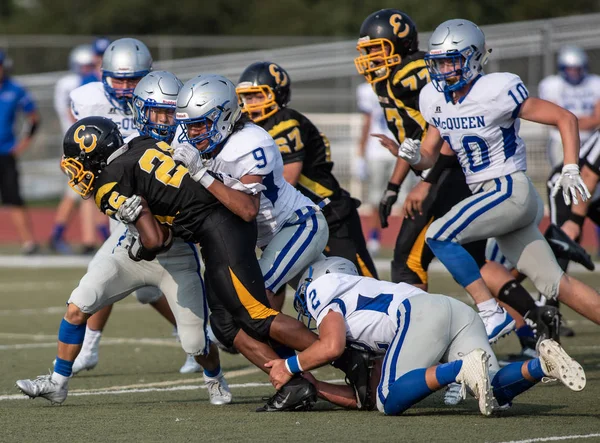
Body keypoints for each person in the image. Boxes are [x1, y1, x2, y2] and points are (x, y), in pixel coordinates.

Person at [382, 19, 600, 330]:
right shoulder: (435, 99)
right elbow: (430, 155)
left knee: (438, 235)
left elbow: (565, 118)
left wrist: (570, 166)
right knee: (556, 284)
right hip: (492, 196)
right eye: (438, 63)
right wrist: (411, 154)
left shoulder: (495, 90)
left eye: (450, 62)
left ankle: (490, 312)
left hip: (509, 189)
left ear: (473, 59)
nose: (442, 71)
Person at [355, 9, 553, 344]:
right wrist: (393, 185)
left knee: (408, 261)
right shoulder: (391, 79)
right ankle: (534, 322)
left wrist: (425, 182)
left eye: (377, 49)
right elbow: (416, 140)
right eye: (368, 51)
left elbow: (443, 133)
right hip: (448, 170)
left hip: (451, 171)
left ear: (398, 45)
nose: (370, 58)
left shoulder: (415, 73)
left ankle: (419, 343)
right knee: (475, 259)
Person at [16, 112, 231, 406]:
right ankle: (58, 382)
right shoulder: (142, 142)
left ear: (96, 157)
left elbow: (155, 241)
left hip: (173, 255)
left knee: (194, 342)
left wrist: (146, 239)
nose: (75, 171)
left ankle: (214, 378)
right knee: (81, 302)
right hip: (127, 247)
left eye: (79, 162)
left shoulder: (109, 184)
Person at [265, 257, 586, 415]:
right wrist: (315, 386)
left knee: (389, 402)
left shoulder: (323, 287)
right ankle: (541, 366)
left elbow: (331, 346)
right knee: (492, 390)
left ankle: (460, 369)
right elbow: (367, 396)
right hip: (453, 312)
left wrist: (288, 366)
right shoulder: (362, 312)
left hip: (418, 314)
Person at [65, 39, 199, 375]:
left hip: (157, 195)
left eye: (133, 80)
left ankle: (199, 336)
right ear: (103, 75)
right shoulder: (88, 98)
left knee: (117, 273)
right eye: (118, 80)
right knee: (136, 286)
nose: (125, 89)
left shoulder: (162, 98)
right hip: (123, 193)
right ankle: (195, 338)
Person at [173, 74, 328, 313]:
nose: (192, 133)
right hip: (269, 238)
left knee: (257, 294)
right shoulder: (200, 142)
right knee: (322, 297)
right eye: (188, 125)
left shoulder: (250, 143)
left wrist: (200, 173)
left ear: (224, 117)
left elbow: (248, 209)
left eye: (199, 124)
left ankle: (287, 349)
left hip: (297, 225)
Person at [236, 62, 378, 278]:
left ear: (278, 94)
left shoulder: (284, 122)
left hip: (329, 212)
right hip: (298, 216)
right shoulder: (253, 129)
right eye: (247, 97)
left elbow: (289, 176)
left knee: (361, 281)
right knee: (277, 277)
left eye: (258, 96)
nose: (251, 104)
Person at [49, 44, 103, 255]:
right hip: (79, 144)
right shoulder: (77, 84)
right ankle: (88, 236)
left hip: (79, 141)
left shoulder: (75, 82)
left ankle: (67, 234)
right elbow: (75, 114)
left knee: (80, 191)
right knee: (82, 190)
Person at [355, 81, 414, 256]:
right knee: (375, 200)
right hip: (376, 150)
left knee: (406, 201)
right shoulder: (367, 90)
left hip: (401, 150)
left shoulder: (403, 82)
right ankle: (374, 238)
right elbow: (367, 122)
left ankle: (408, 240)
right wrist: (361, 153)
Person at [0, 49, 40, 255]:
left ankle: (29, 242)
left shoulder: (15, 90)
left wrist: (23, 144)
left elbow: (33, 118)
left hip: (6, 152)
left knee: (14, 199)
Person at [538, 45, 600, 169]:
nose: (574, 73)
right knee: (563, 176)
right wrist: (583, 121)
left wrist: (568, 121)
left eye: (577, 69)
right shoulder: (551, 84)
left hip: (590, 138)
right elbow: (552, 119)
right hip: (561, 140)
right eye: (570, 69)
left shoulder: (595, 83)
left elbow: (598, 118)